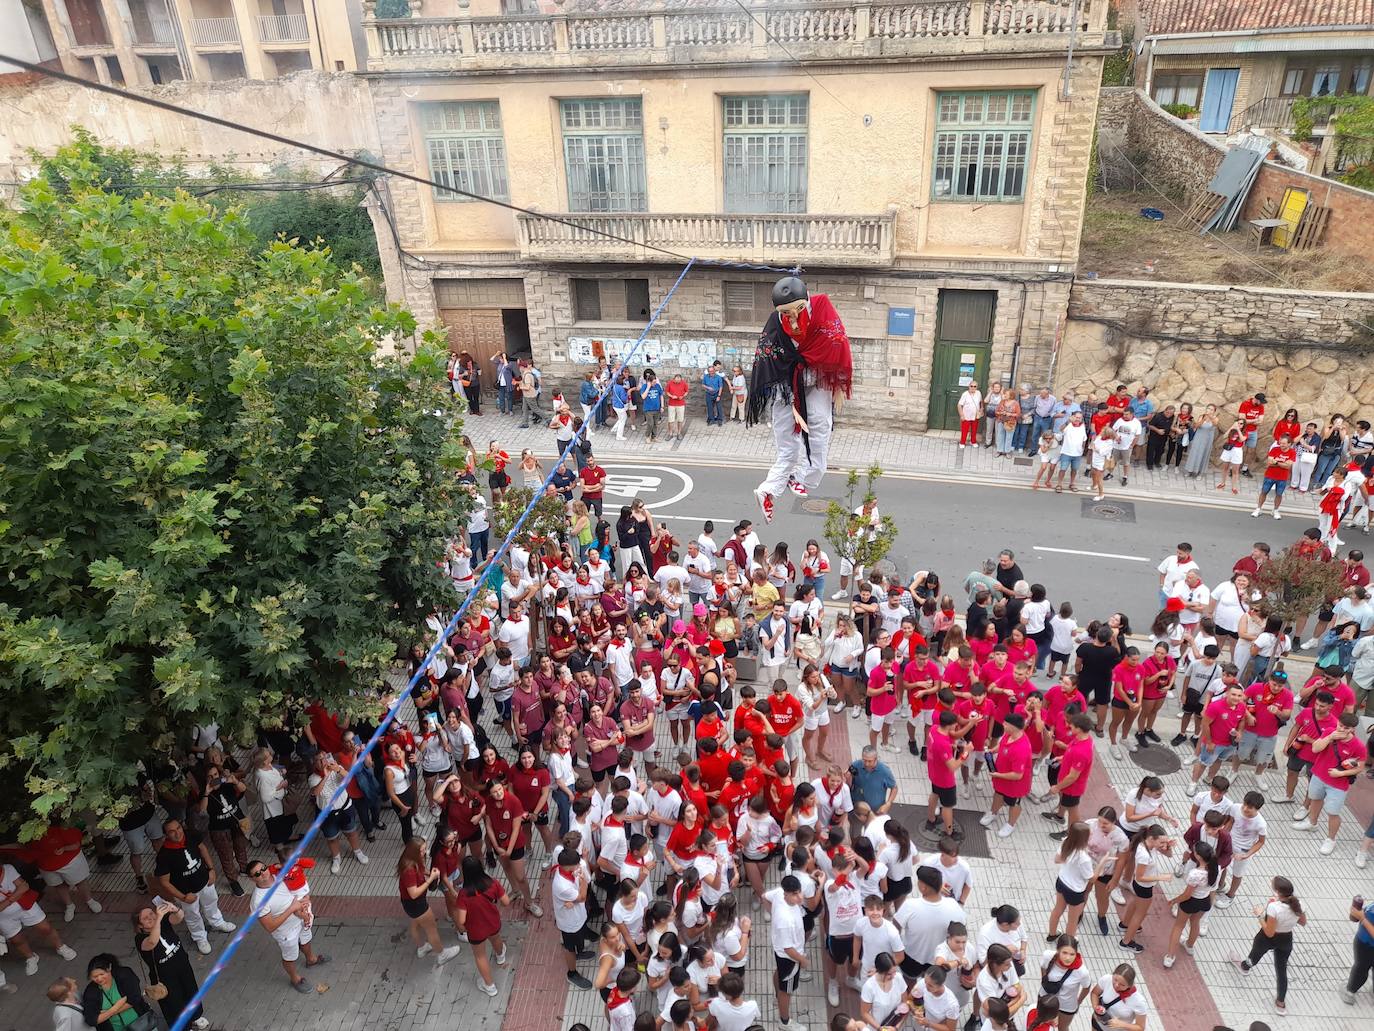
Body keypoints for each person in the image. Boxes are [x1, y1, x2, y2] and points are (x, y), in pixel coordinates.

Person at [152, 817, 234, 956]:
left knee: (211, 903)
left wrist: (211, 869)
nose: (177, 833)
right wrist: (183, 897)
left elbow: (202, 848)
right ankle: (200, 937)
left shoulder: (190, 835)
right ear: (166, 835)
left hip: (205, 881)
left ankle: (217, 922)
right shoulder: (164, 855)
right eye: (172, 832)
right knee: (192, 915)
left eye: (178, 828)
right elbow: (164, 881)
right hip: (187, 893)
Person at [1292, 711, 1367, 854]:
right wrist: (1330, 737)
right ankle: (1312, 822)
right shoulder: (1329, 731)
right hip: (1319, 774)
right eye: (1340, 725)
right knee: (1315, 799)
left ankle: (1331, 839)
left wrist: (1341, 773)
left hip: (1338, 784)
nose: (1341, 729)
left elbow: (1360, 767)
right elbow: (1315, 748)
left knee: (1333, 812)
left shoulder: (1358, 746)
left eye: (1345, 728)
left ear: (1352, 729)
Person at [1230, 875, 1304, 1016]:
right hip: (1286, 939)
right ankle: (1281, 1003)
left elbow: (1269, 932)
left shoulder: (1274, 907)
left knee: (1255, 956)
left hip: (1267, 939)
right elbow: (1302, 922)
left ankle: (1245, 967)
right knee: (1281, 970)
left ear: (1277, 891)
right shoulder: (1299, 903)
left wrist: (1259, 915)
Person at [133, 901, 209, 1029]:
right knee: (174, 1004)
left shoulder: (163, 921)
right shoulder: (140, 939)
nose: (151, 917)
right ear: (140, 925)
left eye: (152, 913)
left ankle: (195, 1016)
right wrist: (158, 920)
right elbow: (152, 942)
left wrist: (175, 909)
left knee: (191, 992)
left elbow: (178, 918)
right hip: (165, 978)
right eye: (146, 918)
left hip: (182, 967)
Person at [1, 860, 78, 977]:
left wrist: (6, 902)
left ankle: (60, 947)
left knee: (45, 928)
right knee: (16, 940)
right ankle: (31, 957)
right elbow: (20, 889)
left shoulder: (8, 868)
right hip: (4, 918)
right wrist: (15, 895)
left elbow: (24, 887)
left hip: (26, 906)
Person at [396, 838, 463, 967]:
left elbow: (421, 870)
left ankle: (421, 948)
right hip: (417, 904)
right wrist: (430, 879)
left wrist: (429, 873)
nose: (425, 852)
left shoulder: (410, 860)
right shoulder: (409, 870)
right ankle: (442, 954)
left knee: (415, 924)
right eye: (422, 850)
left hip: (409, 904)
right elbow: (414, 893)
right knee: (431, 929)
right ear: (414, 852)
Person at [453, 855, 510, 998]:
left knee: (480, 956)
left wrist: (464, 927)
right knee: (496, 938)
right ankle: (500, 956)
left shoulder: (464, 895)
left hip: (476, 930)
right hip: (493, 922)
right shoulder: (493, 883)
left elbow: (461, 919)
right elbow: (506, 901)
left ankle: (490, 986)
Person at [766, 874, 808, 1031]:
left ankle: (778, 998)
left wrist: (773, 916)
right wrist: (802, 960)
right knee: (787, 991)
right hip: (789, 958)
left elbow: (764, 896)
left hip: (780, 951)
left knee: (780, 975)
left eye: (799, 892)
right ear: (785, 893)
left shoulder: (777, 893)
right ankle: (784, 1022)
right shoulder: (785, 920)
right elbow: (788, 949)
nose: (799, 897)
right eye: (794, 894)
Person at [81, 954, 152, 1031]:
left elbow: (135, 999)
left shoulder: (124, 974)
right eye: (94, 977)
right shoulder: (91, 991)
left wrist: (106, 1014)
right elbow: (91, 1020)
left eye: (102, 974)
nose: (99, 979)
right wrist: (114, 1009)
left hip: (142, 1024)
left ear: (109, 967)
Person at [1088, 965, 1147, 1031]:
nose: (1116, 985)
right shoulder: (1107, 979)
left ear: (1130, 985)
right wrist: (1096, 1007)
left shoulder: (1138, 1001)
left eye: (1122, 984)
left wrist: (1121, 1024)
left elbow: (1140, 1027)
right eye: (1115, 979)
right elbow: (1095, 993)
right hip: (1097, 1024)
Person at [1252, 433, 1296, 518]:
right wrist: (1282, 463)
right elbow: (1269, 463)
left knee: (1279, 494)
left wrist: (1276, 462)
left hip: (1282, 478)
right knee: (1264, 492)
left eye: (1284, 443)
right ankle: (1258, 508)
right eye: (1280, 442)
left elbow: (1288, 466)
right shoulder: (1274, 449)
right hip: (1270, 475)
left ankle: (1275, 510)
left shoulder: (1292, 452)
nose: (1281, 445)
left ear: (1289, 444)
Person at [957, 380, 982, 448]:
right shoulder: (965, 394)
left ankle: (973, 441)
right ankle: (962, 442)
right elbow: (959, 405)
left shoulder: (978, 393)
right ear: (969, 386)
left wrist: (981, 409)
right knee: (964, 430)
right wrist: (961, 415)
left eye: (975, 386)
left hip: (975, 415)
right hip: (966, 415)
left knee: (974, 429)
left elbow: (981, 402)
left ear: (977, 387)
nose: (973, 387)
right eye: (971, 386)